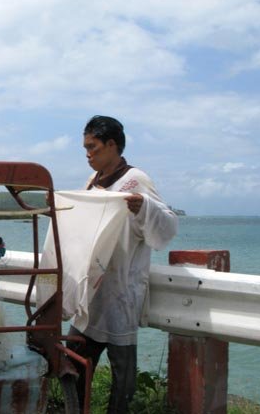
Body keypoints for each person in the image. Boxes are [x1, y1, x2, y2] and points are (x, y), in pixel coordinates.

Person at [66, 115, 178, 413]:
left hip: (121, 288)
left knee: (122, 372)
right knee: (75, 361)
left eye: (93, 148)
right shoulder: (92, 182)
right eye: (85, 149)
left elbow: (167, 224)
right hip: (91, 289)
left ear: (111, 144)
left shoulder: (135, 180)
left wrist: (145, 209)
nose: (88, 154)